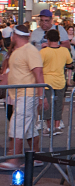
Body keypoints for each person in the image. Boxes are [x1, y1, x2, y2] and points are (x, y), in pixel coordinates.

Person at [0, 25, 45, 169]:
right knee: (29, 128)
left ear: (14, 35)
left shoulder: (29, 50)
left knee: (17, 126)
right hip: (22, 95)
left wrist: (41, 96)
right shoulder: (18, 51)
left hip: (27, 94)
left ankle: (13, 158)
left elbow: (39, 73)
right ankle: (36, 157)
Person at [40, 29, 73, 133]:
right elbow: (70, 65)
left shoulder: (43, 52)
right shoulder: (64, 51)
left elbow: (38, 67)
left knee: (47, 105)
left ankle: (49, 127)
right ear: (58, 39)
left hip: (47, 82)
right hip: (60, 81)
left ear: (48, 39)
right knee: (58, 104)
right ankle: (57, 126)